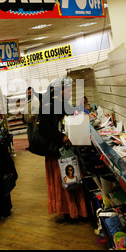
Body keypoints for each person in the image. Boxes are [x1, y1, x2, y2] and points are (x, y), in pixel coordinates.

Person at [38, 77, 88, 223]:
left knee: (70, 180)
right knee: (65, 181)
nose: (70, 92)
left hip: (62, 151)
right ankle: (68, 212)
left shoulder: (60, 104)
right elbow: (44, 129)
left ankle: (73, 211)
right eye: (67, 89)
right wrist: (62, 138)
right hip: (57, 152)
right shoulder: (49, 105)